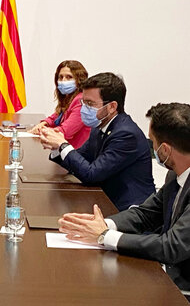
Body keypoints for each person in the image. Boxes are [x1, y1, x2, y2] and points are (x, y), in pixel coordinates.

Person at [58, 102, 190, 293]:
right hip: (166, 277)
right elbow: (146, 214)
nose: (151, 146)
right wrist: (102, 224)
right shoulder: (175, 174)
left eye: (152, 141)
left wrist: (105, 236)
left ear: (165, 150)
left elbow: (172, 246)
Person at [39, 72, 155, 211]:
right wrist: (55, 147)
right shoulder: (99, 126)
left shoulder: (126, 134)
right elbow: (80, 158)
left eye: (90, 104)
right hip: (102, 198)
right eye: (83, 102)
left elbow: (91, 175)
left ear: (112, 107)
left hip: (127, 210)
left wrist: (63, 144)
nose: (84, 108)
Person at [29, 60, 91, 148]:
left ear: (79, 80)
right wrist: (43, 124)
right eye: (60, 77)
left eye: (69, 77)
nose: (63, 81)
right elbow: (56, 116)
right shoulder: (68, 98)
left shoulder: (81, 101)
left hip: (77, 153)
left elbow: (65, 131)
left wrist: (41, 131)